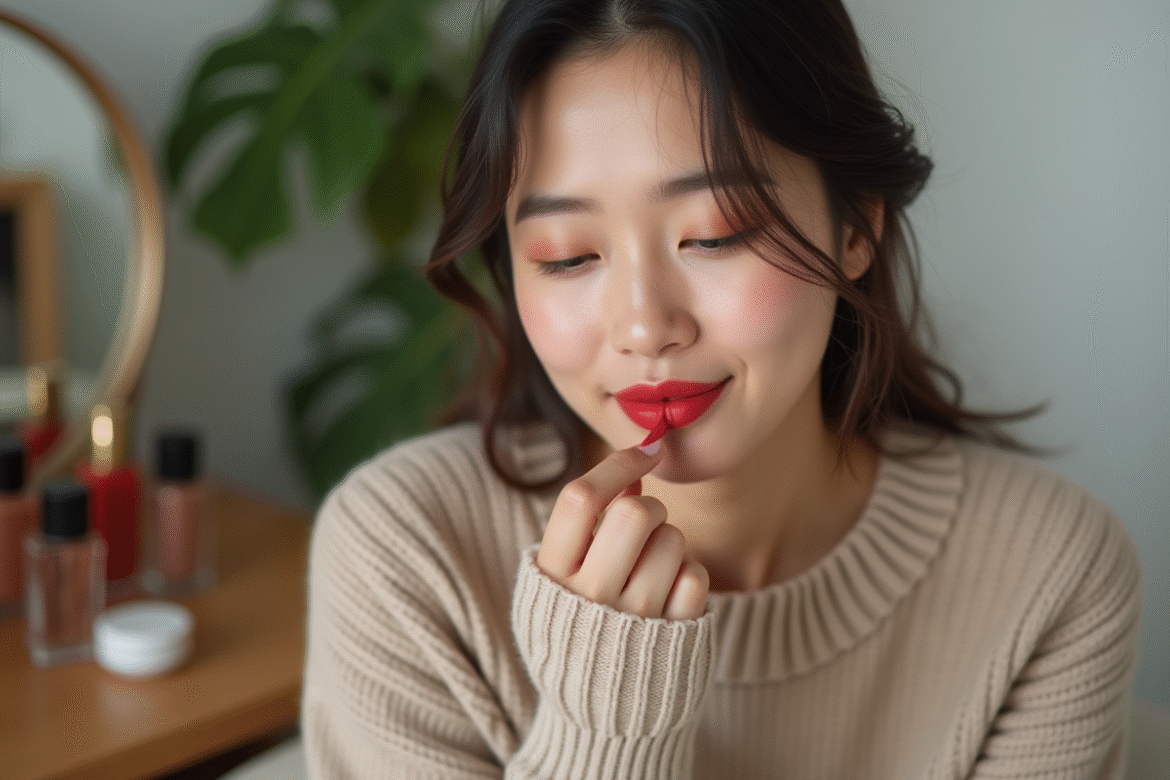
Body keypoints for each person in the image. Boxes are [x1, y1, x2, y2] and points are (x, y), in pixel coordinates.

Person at [300, 0, 1141, 777]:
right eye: (568, 254)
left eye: (715, 236)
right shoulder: (409, 558)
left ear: (856, 230)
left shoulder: (1046, 575)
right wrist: (607, 726)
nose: (644, 323)